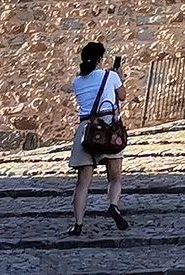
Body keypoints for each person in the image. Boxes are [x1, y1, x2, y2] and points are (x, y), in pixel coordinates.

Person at [68, 41, 130, 235]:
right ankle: (113, 204)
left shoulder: (76, 81)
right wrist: (119, 78)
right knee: (115, 176)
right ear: (101, 59)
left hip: (86, 129)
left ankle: (78, 224)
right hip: (108, 128)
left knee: (83, 183)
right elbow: (122, 96)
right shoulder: (110, 76)